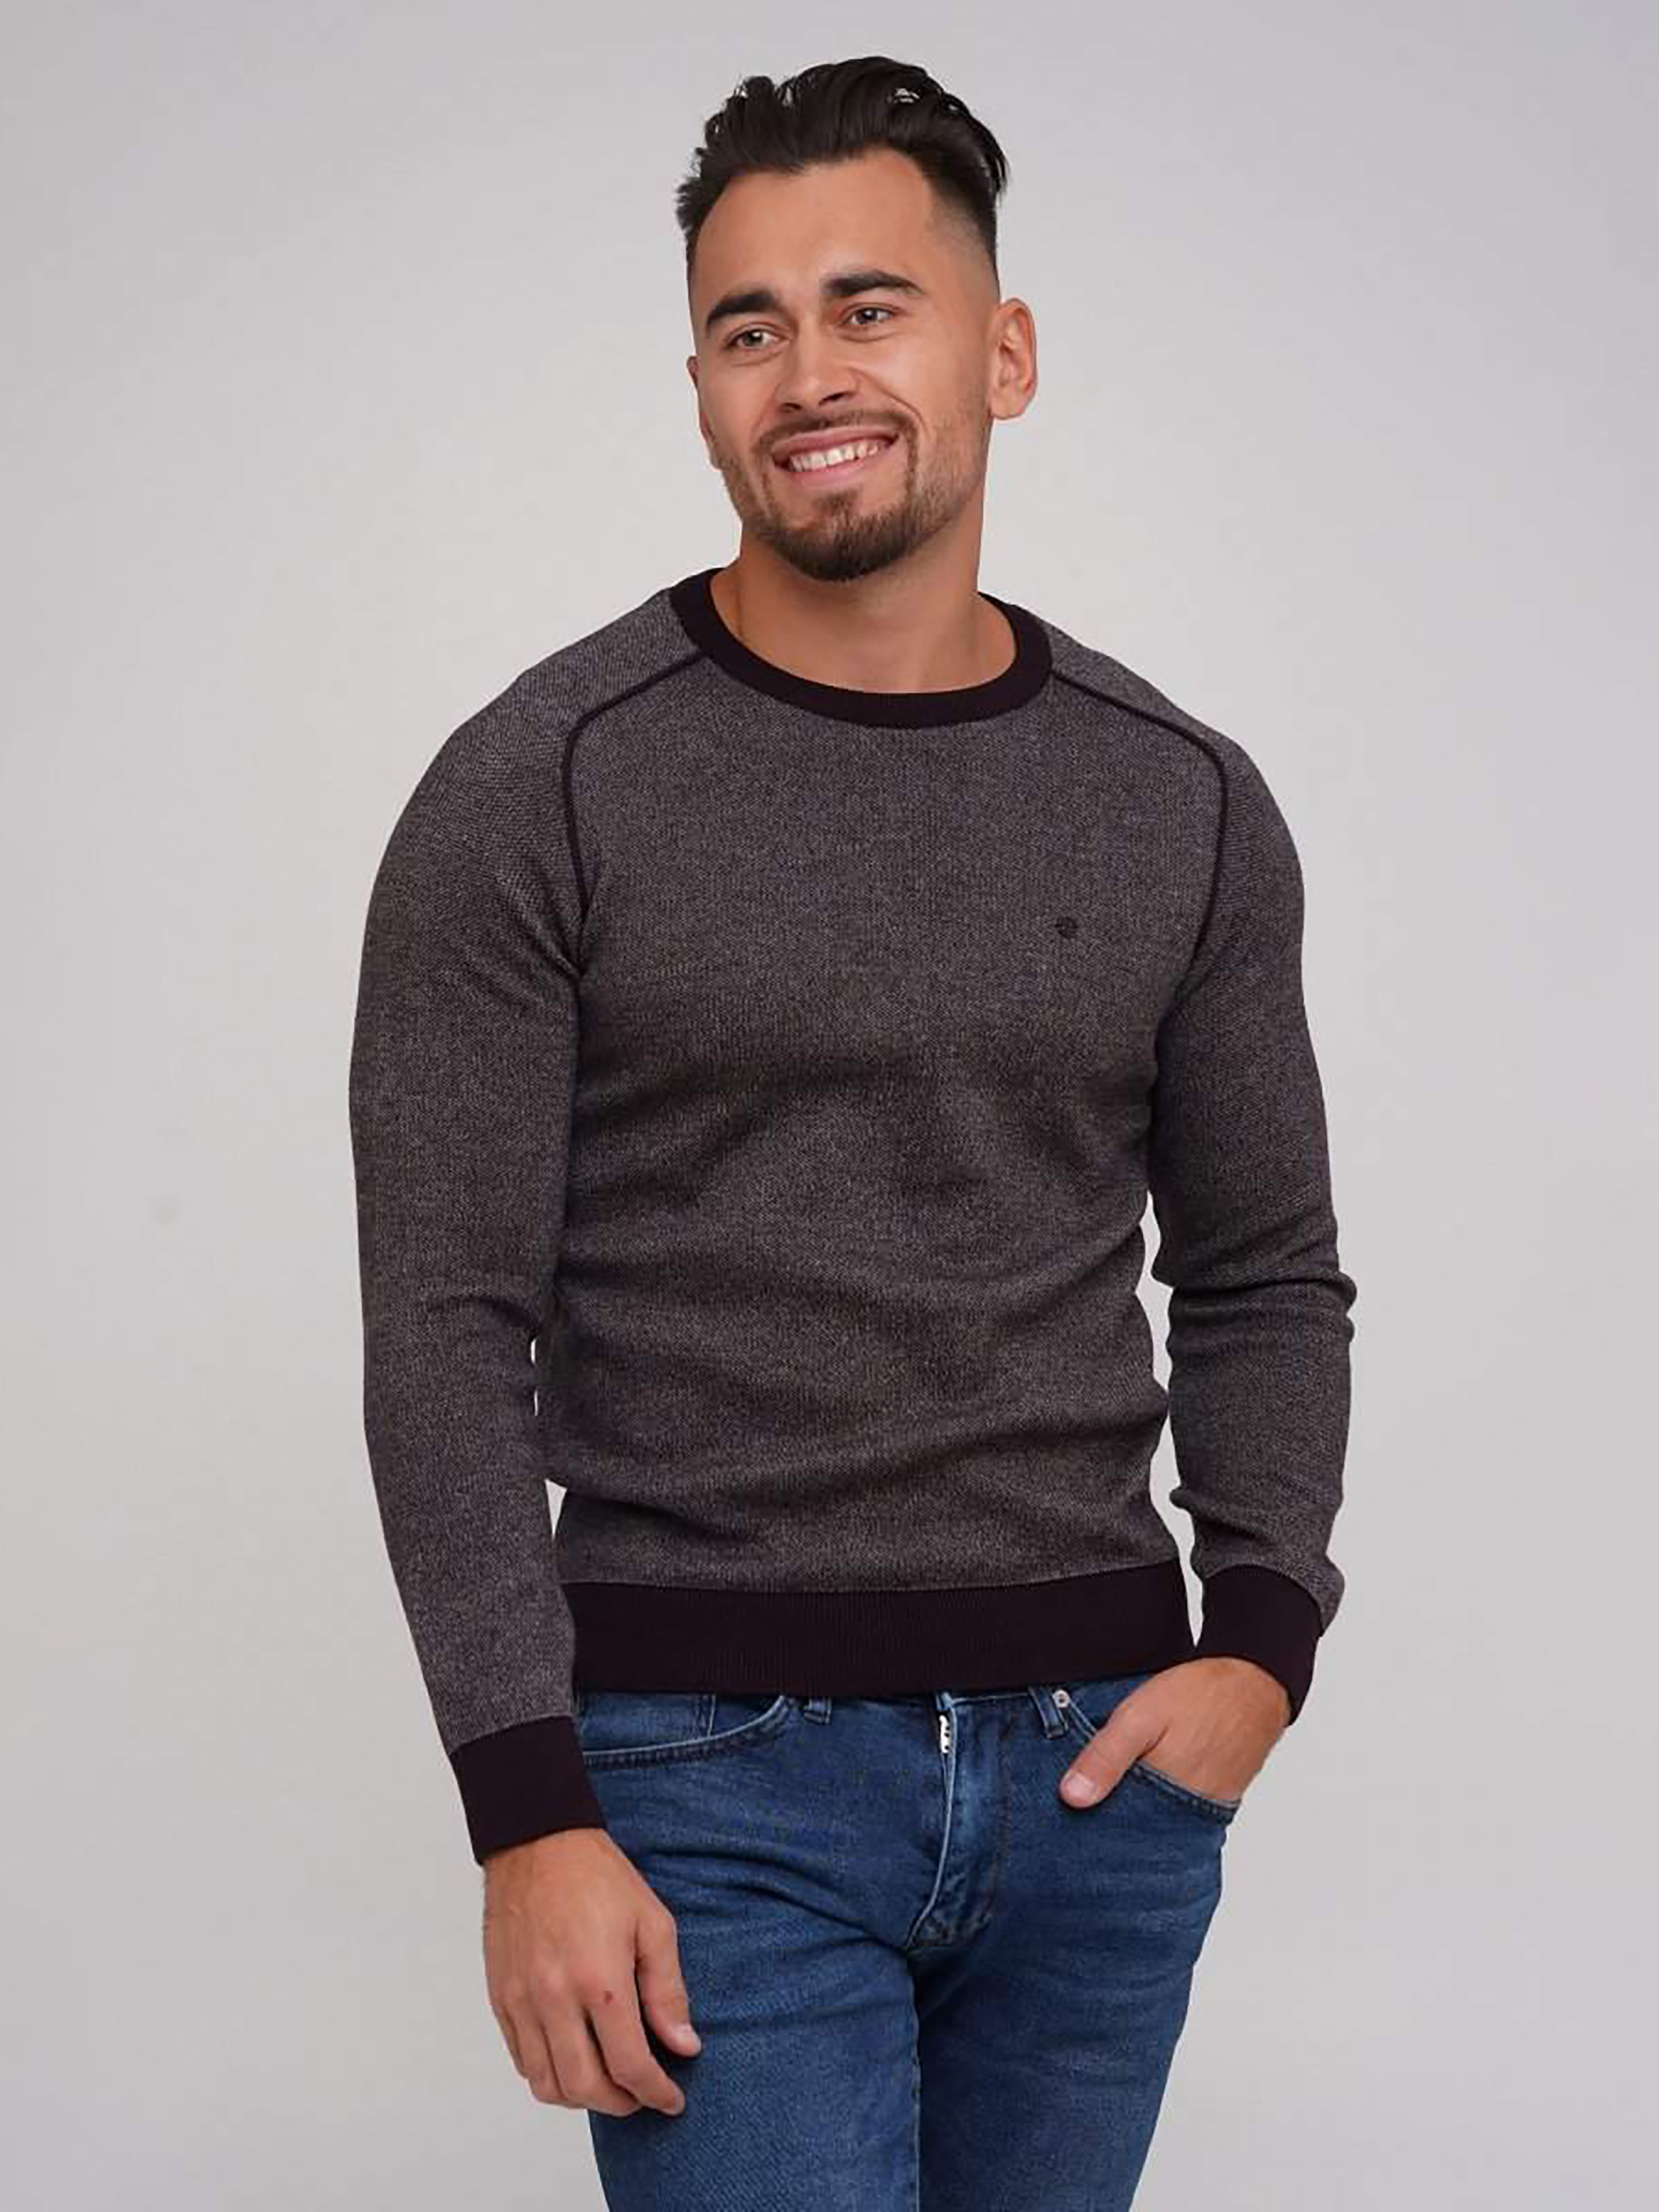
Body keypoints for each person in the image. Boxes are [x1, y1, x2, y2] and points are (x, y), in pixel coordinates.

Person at [347, 53, 1358, 2212]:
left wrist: (1258, 1643)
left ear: (1003, 352)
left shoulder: (1178, 798)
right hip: (701, 1779)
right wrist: (527, 1811)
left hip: (1098, 1770)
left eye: (869, 307)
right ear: (703, 394)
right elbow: (442, 1322)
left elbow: (1263, 1267)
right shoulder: (538, 784)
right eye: (750, 326)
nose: (810, 372)